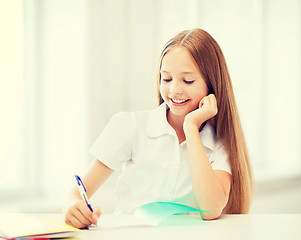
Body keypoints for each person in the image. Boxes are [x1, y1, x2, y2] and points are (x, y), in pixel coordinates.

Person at [63, 28, 254, 228]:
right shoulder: (131, 126)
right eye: (167, 78)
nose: (174, 90)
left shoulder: (220, 142)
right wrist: (73, 206)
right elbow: (75, 193)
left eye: (187, 80)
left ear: (212, 85)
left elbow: (212, 208)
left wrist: (191, 127)